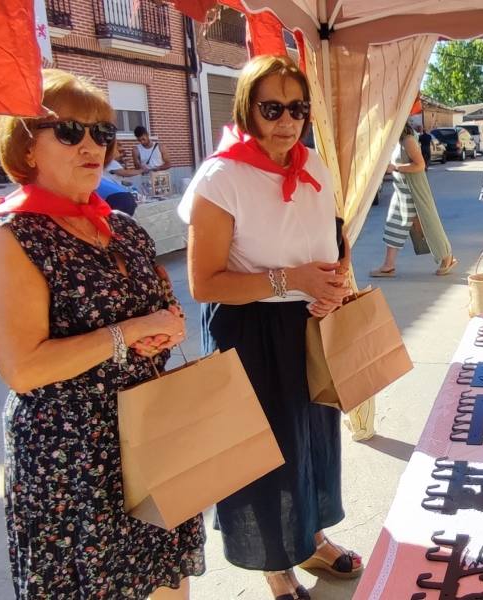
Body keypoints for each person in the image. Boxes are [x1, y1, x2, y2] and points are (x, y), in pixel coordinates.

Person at [0, 69, 204, 599]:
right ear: (26, 148)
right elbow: (22, 368)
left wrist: (164, 330)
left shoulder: (118, 225)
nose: (92, 144)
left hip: (148, 429)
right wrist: (129, 332)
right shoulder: (7, 235)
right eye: (71, 131)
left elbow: (164, 310)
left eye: (103, 132)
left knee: (166, 581)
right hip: (72, 455)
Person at [179, 55, 361, 600]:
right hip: (250, 328)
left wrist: (335, 279)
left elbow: (329, 236)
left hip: (308, 323)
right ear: (247, 110)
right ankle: (274, 564)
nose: (287, 120)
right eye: (272, 108)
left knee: (313, 442)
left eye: (297, 108)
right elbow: (205, 284)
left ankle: (310, 539)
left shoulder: (314, 165)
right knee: (265, 450)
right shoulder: (222, 176)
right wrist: (291, 278)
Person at [370, 123, 457, 277]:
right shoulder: (398, 141)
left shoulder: (408, 140)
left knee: (428, 224)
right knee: (393, 226)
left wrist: (395, 167)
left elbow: (420, 165)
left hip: (412, 192)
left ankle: (447, 256)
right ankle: (388, 265)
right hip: (401, 191)